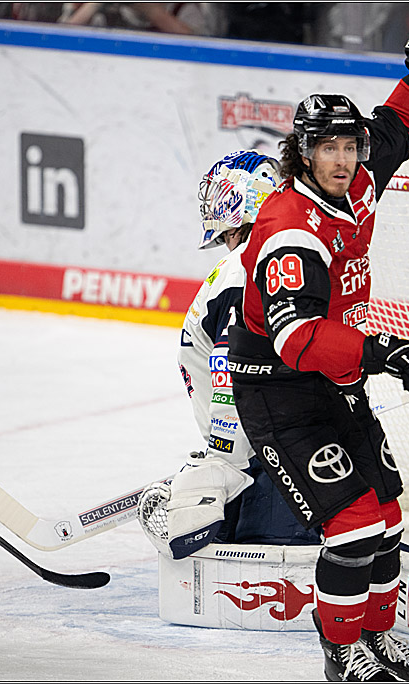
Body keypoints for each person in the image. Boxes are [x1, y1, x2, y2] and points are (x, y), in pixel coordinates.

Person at [227, 4, 409, 681]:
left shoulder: (358, 177)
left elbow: (397, 129)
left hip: (338, 378)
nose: (343, 158)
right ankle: (340, 651)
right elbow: (298, 338)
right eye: (328, 147)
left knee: (388, 515)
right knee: (354, 523)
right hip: (280, 390)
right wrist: (382, 350)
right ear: (303, 153)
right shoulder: (289, 230)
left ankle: (377, 634)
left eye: (347, 145)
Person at [139, 149, 320, 561]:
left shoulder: (241, 268)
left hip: (265, 462)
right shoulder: (284, 253)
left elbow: (231, 373)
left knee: (273, 566)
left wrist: (224, 462)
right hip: (286, 447)